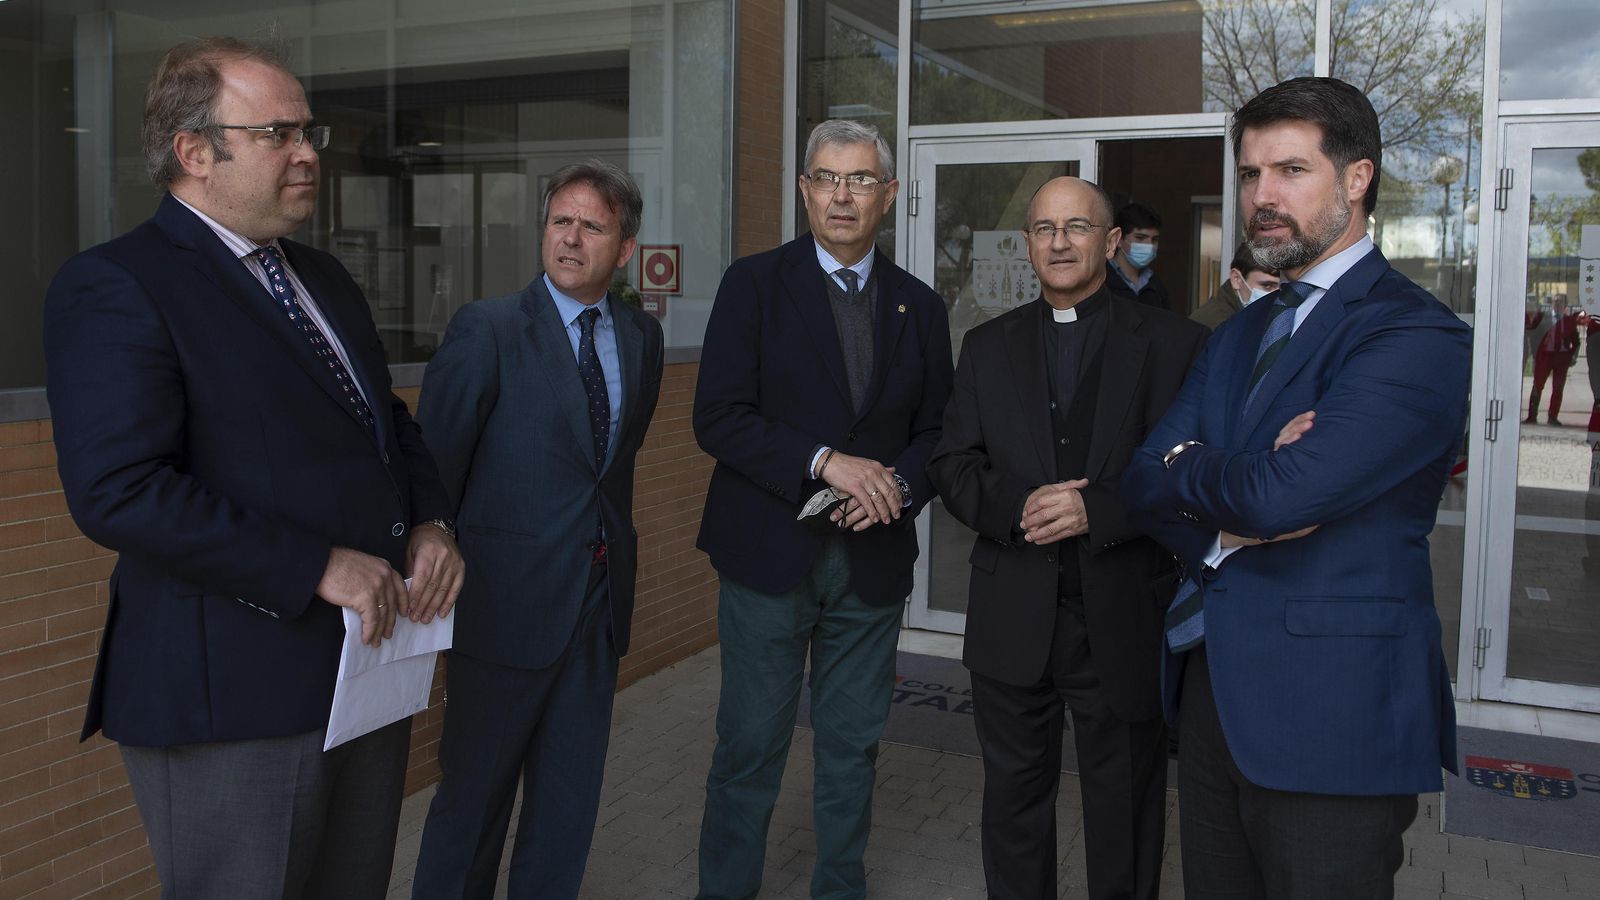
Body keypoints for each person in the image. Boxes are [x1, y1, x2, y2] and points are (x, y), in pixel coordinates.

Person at [42, 37, 464, 899]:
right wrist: (314, 565)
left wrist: (430, 523)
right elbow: (119, 491)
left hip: (361, 677)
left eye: (308, 131)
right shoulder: (119, 284)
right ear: (196, 152)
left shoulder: (324, 278)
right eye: (280, 133)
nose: (309, 152)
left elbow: (384, 423)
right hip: (230, 699)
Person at [1122, 76, 1471, 899]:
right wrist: (1227, 507)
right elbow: (1143, 481)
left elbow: (1278, 496)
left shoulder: (1413, 332)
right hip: (1212, 694)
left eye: (1289, 171)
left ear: (1357, 179)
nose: (1262, 197)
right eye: (1250, 175)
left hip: (1333, 714)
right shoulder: (1243, 330)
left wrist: (1200, 468)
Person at [693, 119, 953, 900]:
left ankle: (840, 887)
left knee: (852, 747)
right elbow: (720, 416)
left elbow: (939, 432)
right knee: (749, 747)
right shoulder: (753, 284)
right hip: (768, 556)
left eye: (861, 180)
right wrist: (824, 463)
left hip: (870, 566)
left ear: (889, 196)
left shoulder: (921, 305)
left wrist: (897, 487)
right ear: (804, 190)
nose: (843, 195)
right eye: (827, 179)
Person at [929, 176, 1207, 900]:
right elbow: (953, 465)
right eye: (1044, 228)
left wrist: (1100, 511)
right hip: (1011, 618)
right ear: (1026, 244)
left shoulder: (1176, 346)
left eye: (1076, 227)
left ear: (1110, 242)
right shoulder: (986, 347)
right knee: (1014, 804)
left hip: (1121, 615)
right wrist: (1020, 505)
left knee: (1127, 806)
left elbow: (1193, 474)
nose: (1059, 242)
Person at [410, 161, 664, 899]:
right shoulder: (486, 329)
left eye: (593, 226)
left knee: (566, 809)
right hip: (502, 610)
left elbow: (607, 471)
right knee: (472, 805)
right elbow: (434, 470)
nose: (572, 238)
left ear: (624, 249)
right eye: (561, 221)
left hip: (594, 608)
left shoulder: (642, 339)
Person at [1191, 242, 1280, 331]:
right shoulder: (1216, 326)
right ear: (1236, 279)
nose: (1277, 295)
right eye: (1267, 286)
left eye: (1282, 287)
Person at [1526, 293, 1581, 425]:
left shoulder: (1569, 321)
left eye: (1560, 302)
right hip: (1545, 356)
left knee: (1558, 388)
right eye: (1555, 301)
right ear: (1552, 304)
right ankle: (1532, 416)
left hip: (1561, 359)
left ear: (1565, 305)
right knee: (1537, 386)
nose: (1557, 304)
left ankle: (1552, 417)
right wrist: (1535, 354)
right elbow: (1534, 337)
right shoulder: (1543, 318)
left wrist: (1572, 356)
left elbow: (1576, 342)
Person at [1105, 202, 1170, 310]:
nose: (1149, 245)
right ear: (1118, 239)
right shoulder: (1100, 280)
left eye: (1154, 239)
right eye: (1140, 238)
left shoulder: (1156, 286)